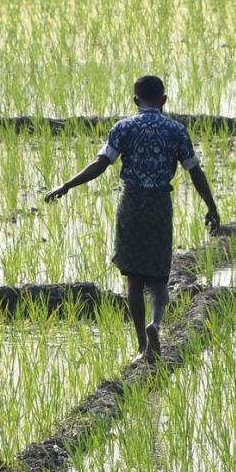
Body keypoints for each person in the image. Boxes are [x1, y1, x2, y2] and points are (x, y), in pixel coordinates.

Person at [45, 75, 220, 362]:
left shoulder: (124, 127)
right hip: (159, 205)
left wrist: (66, 185)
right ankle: (157, 324)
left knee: (134, 280)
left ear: (135, 100)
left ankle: (142, 345)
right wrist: (211, 206)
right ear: (164, 100)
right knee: (159, 277)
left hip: (132, 205)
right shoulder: (176, 131)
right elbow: (194, 171)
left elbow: (100, 165)